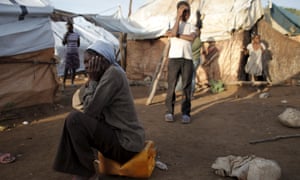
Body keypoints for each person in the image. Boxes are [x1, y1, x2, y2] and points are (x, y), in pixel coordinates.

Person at [53, 40, 145, 180]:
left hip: (126, 145)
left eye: (90, 62)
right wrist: (91, 81)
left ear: (101, 60)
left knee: (75, 119)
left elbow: (89, 111)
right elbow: (76, 102)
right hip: (120, 141)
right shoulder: (103, 76)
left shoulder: (113, 74)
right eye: (85, 63)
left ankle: (85, 173)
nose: (87, 66)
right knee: (74, 119)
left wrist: (92, 79)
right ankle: (81, 171)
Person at [164, 1, 197, 124]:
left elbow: (191, 38)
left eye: (187, 11)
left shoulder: (192, 26)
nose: (185, 13)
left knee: (186, 87)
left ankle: (185, 113)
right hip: (174, 58)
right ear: (178, 11)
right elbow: (171, 33)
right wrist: (178, 18)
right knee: (171, 86)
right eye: (183, 11)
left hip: (187, 59)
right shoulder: (172, 23)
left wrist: (176, 35)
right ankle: (169, 112)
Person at [62, 21, 80, 90]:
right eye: (67, 27)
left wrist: (74, 46)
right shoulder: (66, 34)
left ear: (72, 27)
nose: (67, 28)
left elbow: (78, 44)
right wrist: (66, 36)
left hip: (75, 53)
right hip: (68, 53)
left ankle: (72, 82)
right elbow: (63, 43)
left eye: (68, 27)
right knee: (66, 68)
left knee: (74, 68)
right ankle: (64, 83)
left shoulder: (77, 35)